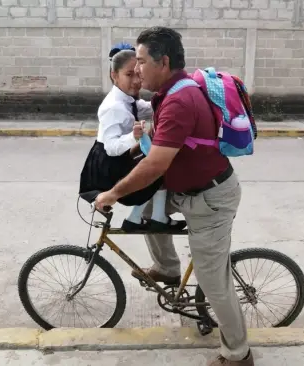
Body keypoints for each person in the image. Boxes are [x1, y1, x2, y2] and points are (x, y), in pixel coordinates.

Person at [94, 27, 253, 366]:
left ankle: (239, 354)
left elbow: (155, 164)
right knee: (147, 204)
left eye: (140, 61)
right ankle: (167, 268)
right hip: (190, 190)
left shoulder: (180, 99)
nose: (136, 69)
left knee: (214, 284)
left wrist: (113, 192)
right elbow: (155, 144)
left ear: (162, 62)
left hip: (210, 200)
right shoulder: (169, 91)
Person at [79, 42, 187, 233]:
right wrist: (133, 136)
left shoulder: (127, 99)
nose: (136, 80)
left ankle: (143, 218)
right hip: (107, 166)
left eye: (138, 74)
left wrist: (169, 103)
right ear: (114, 76)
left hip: (118, 158)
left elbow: (144, 107)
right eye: (129, 75)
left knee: (156, 163)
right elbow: (111, 147)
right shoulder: (114, 107)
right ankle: (151, 217)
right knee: (154, 167)